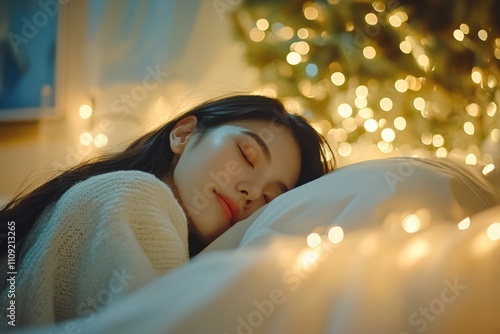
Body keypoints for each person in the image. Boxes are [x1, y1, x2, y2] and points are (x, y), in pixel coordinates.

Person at [0, 94, 335, 327]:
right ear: (184, 134)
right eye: (247, 155)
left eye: (270, 198)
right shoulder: (138, 195)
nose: (251, 192)